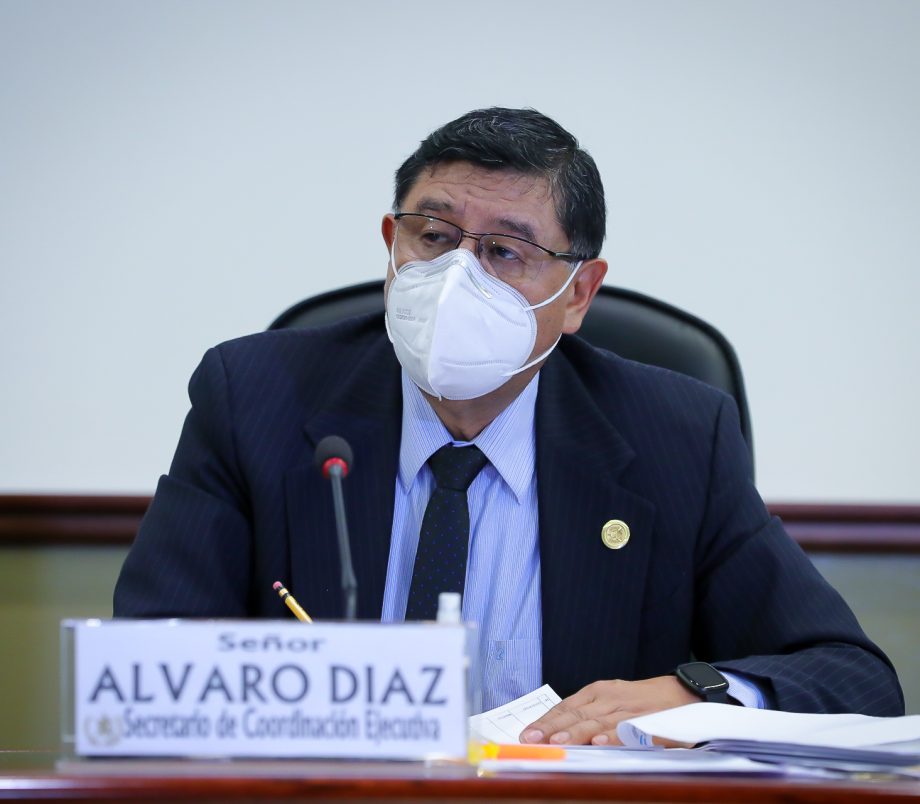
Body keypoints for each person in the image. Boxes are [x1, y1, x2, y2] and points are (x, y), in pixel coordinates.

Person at [114, 107, 904, 744]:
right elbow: (148, 659)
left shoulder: (676, 436)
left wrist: (694, 696)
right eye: (434, 237)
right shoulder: (255, 397)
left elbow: (853, 678)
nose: (457, 276)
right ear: (391, 245)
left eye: (505, 251)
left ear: (579, 293)